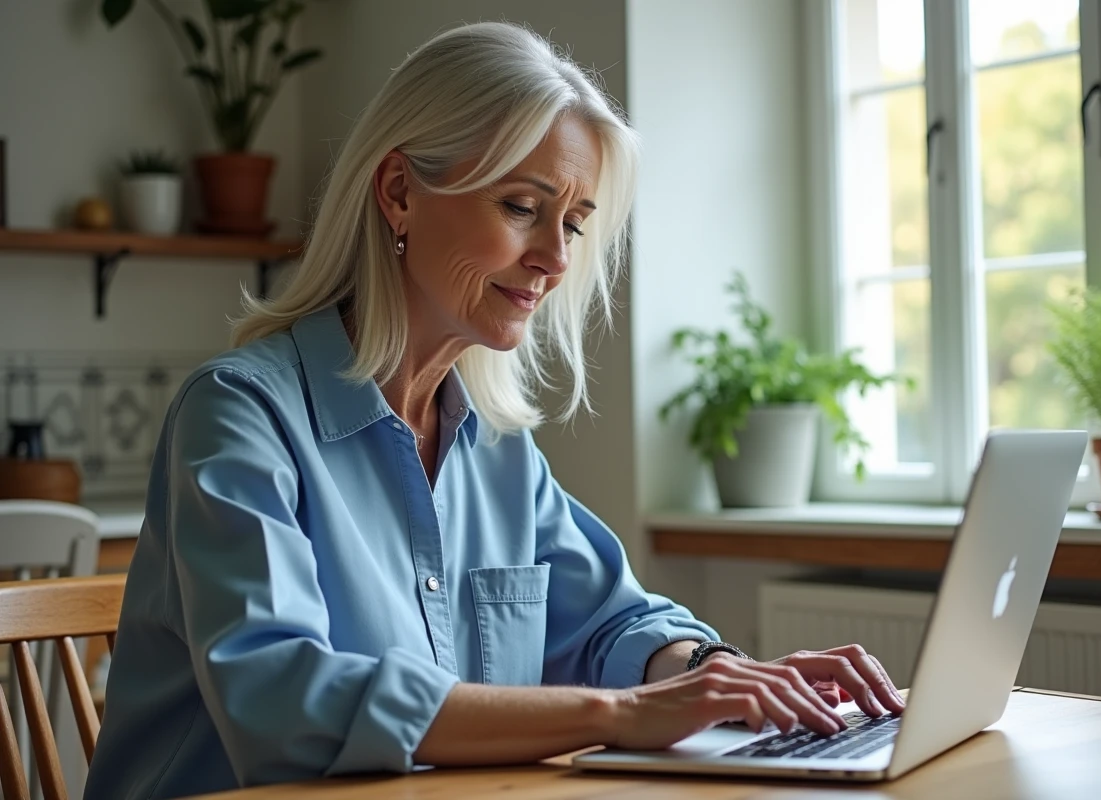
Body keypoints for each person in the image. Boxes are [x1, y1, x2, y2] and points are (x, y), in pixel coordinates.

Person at [83, 21, 905, 799]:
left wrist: (714, 674)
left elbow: (613, 622)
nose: (553, 258)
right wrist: (621, 716)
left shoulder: (496, 448)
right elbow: (284, 699)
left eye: (574, 225)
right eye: (521, 207)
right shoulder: (237, 416)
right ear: (400, 192)